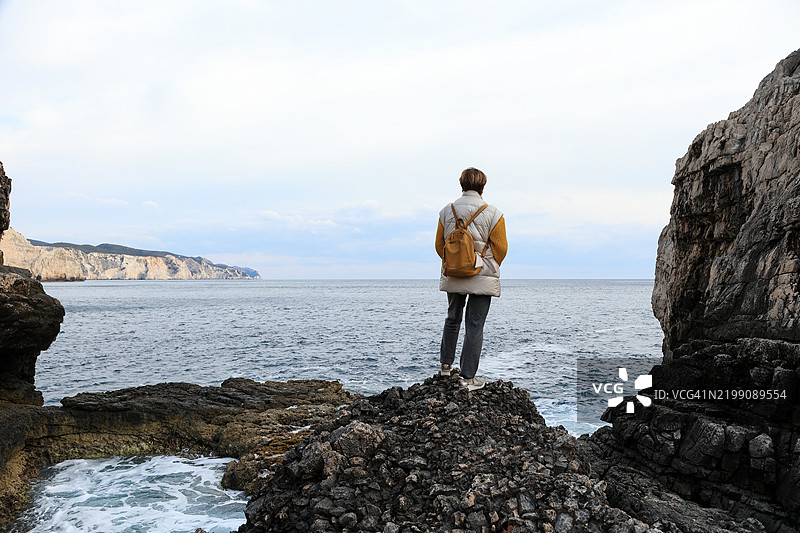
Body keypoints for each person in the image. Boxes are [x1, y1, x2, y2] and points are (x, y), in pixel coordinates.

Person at [435, 168, 507, 391]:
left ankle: (446, 367)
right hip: (482, 275)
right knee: (475, 325)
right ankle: (467, 378)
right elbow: (501, 249)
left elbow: (440, 245)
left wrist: (456, 263)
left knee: (452, 318)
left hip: (454, 272)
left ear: (461, 184)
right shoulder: (493, 213)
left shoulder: (447, 211)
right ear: (483, 186)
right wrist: (484, 265)